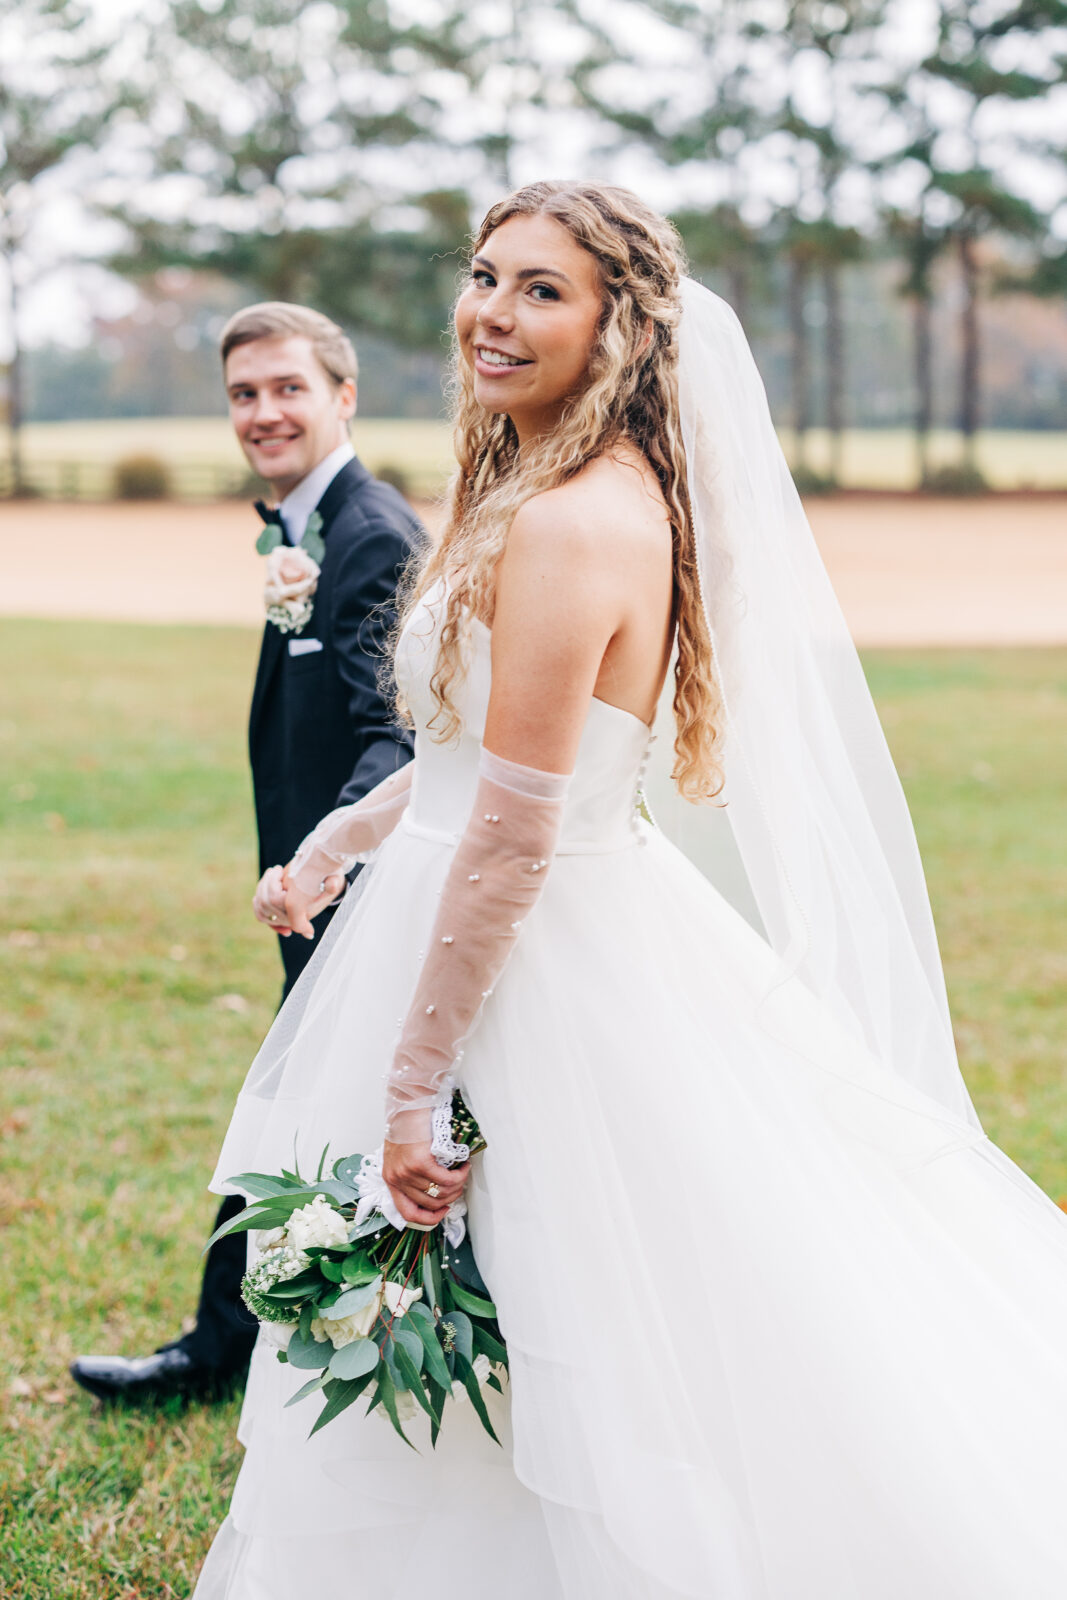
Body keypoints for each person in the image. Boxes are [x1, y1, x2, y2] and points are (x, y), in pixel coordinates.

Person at [193, 184, 1067, 1598]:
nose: (494, 312)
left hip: (532, 960)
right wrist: (348, 835)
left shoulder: (572, 523)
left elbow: (518, 835)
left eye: (544, 290)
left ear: (619, 327)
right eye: (486, 276)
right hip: (484, 910)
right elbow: (480, 754)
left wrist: (413, 1082)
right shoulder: (539, 489)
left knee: (573, 1303)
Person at [71, 303, 420, 1403]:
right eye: (242, 394)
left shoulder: (370, 537)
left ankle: (220, 1348)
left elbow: (394, 731)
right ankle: (260, 1338)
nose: (262, 413)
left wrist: (324, 857)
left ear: (343, 396)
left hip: (352, 889)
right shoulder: (306, 529)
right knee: (320, 1110)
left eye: (287, 389)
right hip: (313, 888)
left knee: (295, 1111)